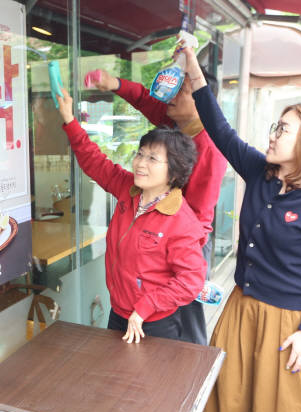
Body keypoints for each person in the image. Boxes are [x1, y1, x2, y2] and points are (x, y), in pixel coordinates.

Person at [178, 43, 301, 412]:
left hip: (289, 323)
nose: (272, 135)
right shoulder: (260, 172)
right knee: (234, 408)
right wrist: (195, 72)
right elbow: (219, 130)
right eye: (275, 126)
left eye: (283, 130)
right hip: (242, 311)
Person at [86, 68, 227, 346]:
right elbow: (144, 99)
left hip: (185, 240)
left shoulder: (209, 147)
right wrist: (114, 82)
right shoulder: (177, 125)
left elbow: (198, 218)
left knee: (183, 315)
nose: (171, 97)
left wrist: (172, 244)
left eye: (182, 91)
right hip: (156, 228)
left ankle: (188, 371)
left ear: (203, 101)